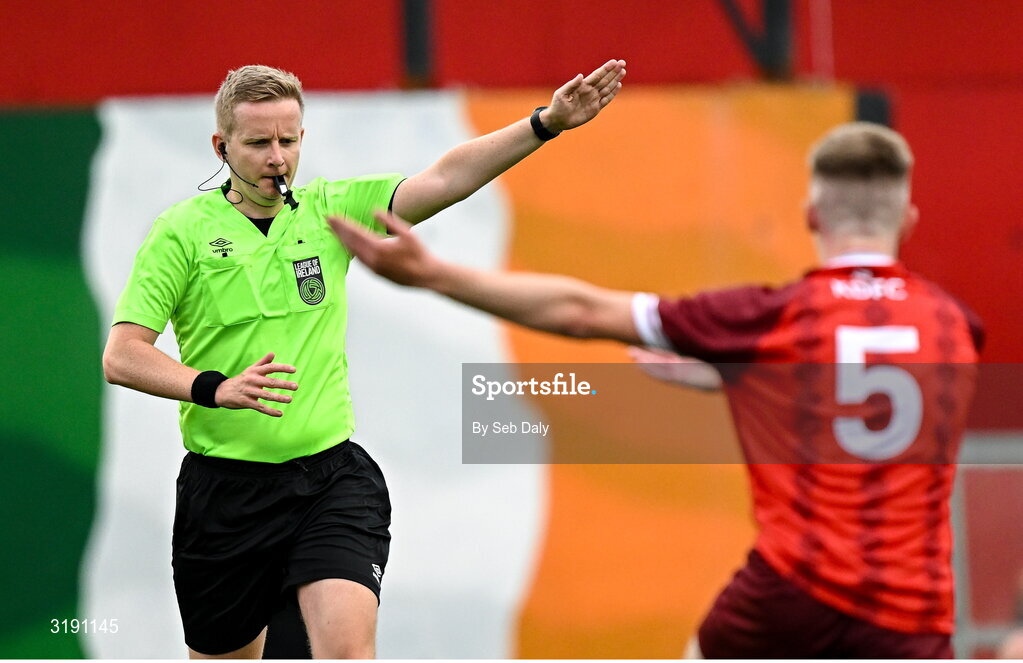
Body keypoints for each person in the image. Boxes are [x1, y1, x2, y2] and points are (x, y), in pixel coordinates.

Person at [330, 122, 985, 658]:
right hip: (912, 607)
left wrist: (436, 274)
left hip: (790, 588)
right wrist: (740, 377)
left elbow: (581, 313)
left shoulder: (774, 315)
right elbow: (866, 389)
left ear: (812, 214)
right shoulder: (955, 326)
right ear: (908, 216)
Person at [102, 60, 625, 659]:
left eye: (288, 140)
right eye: (258, 143)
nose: (277, 157)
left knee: (348, 652)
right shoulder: (181, 234)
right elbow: (123, 355)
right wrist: (213, 387)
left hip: (330, 482)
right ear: (221, 146)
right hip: (224, 496)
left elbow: (445, 179)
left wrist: (545, 123)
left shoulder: (330, 212)